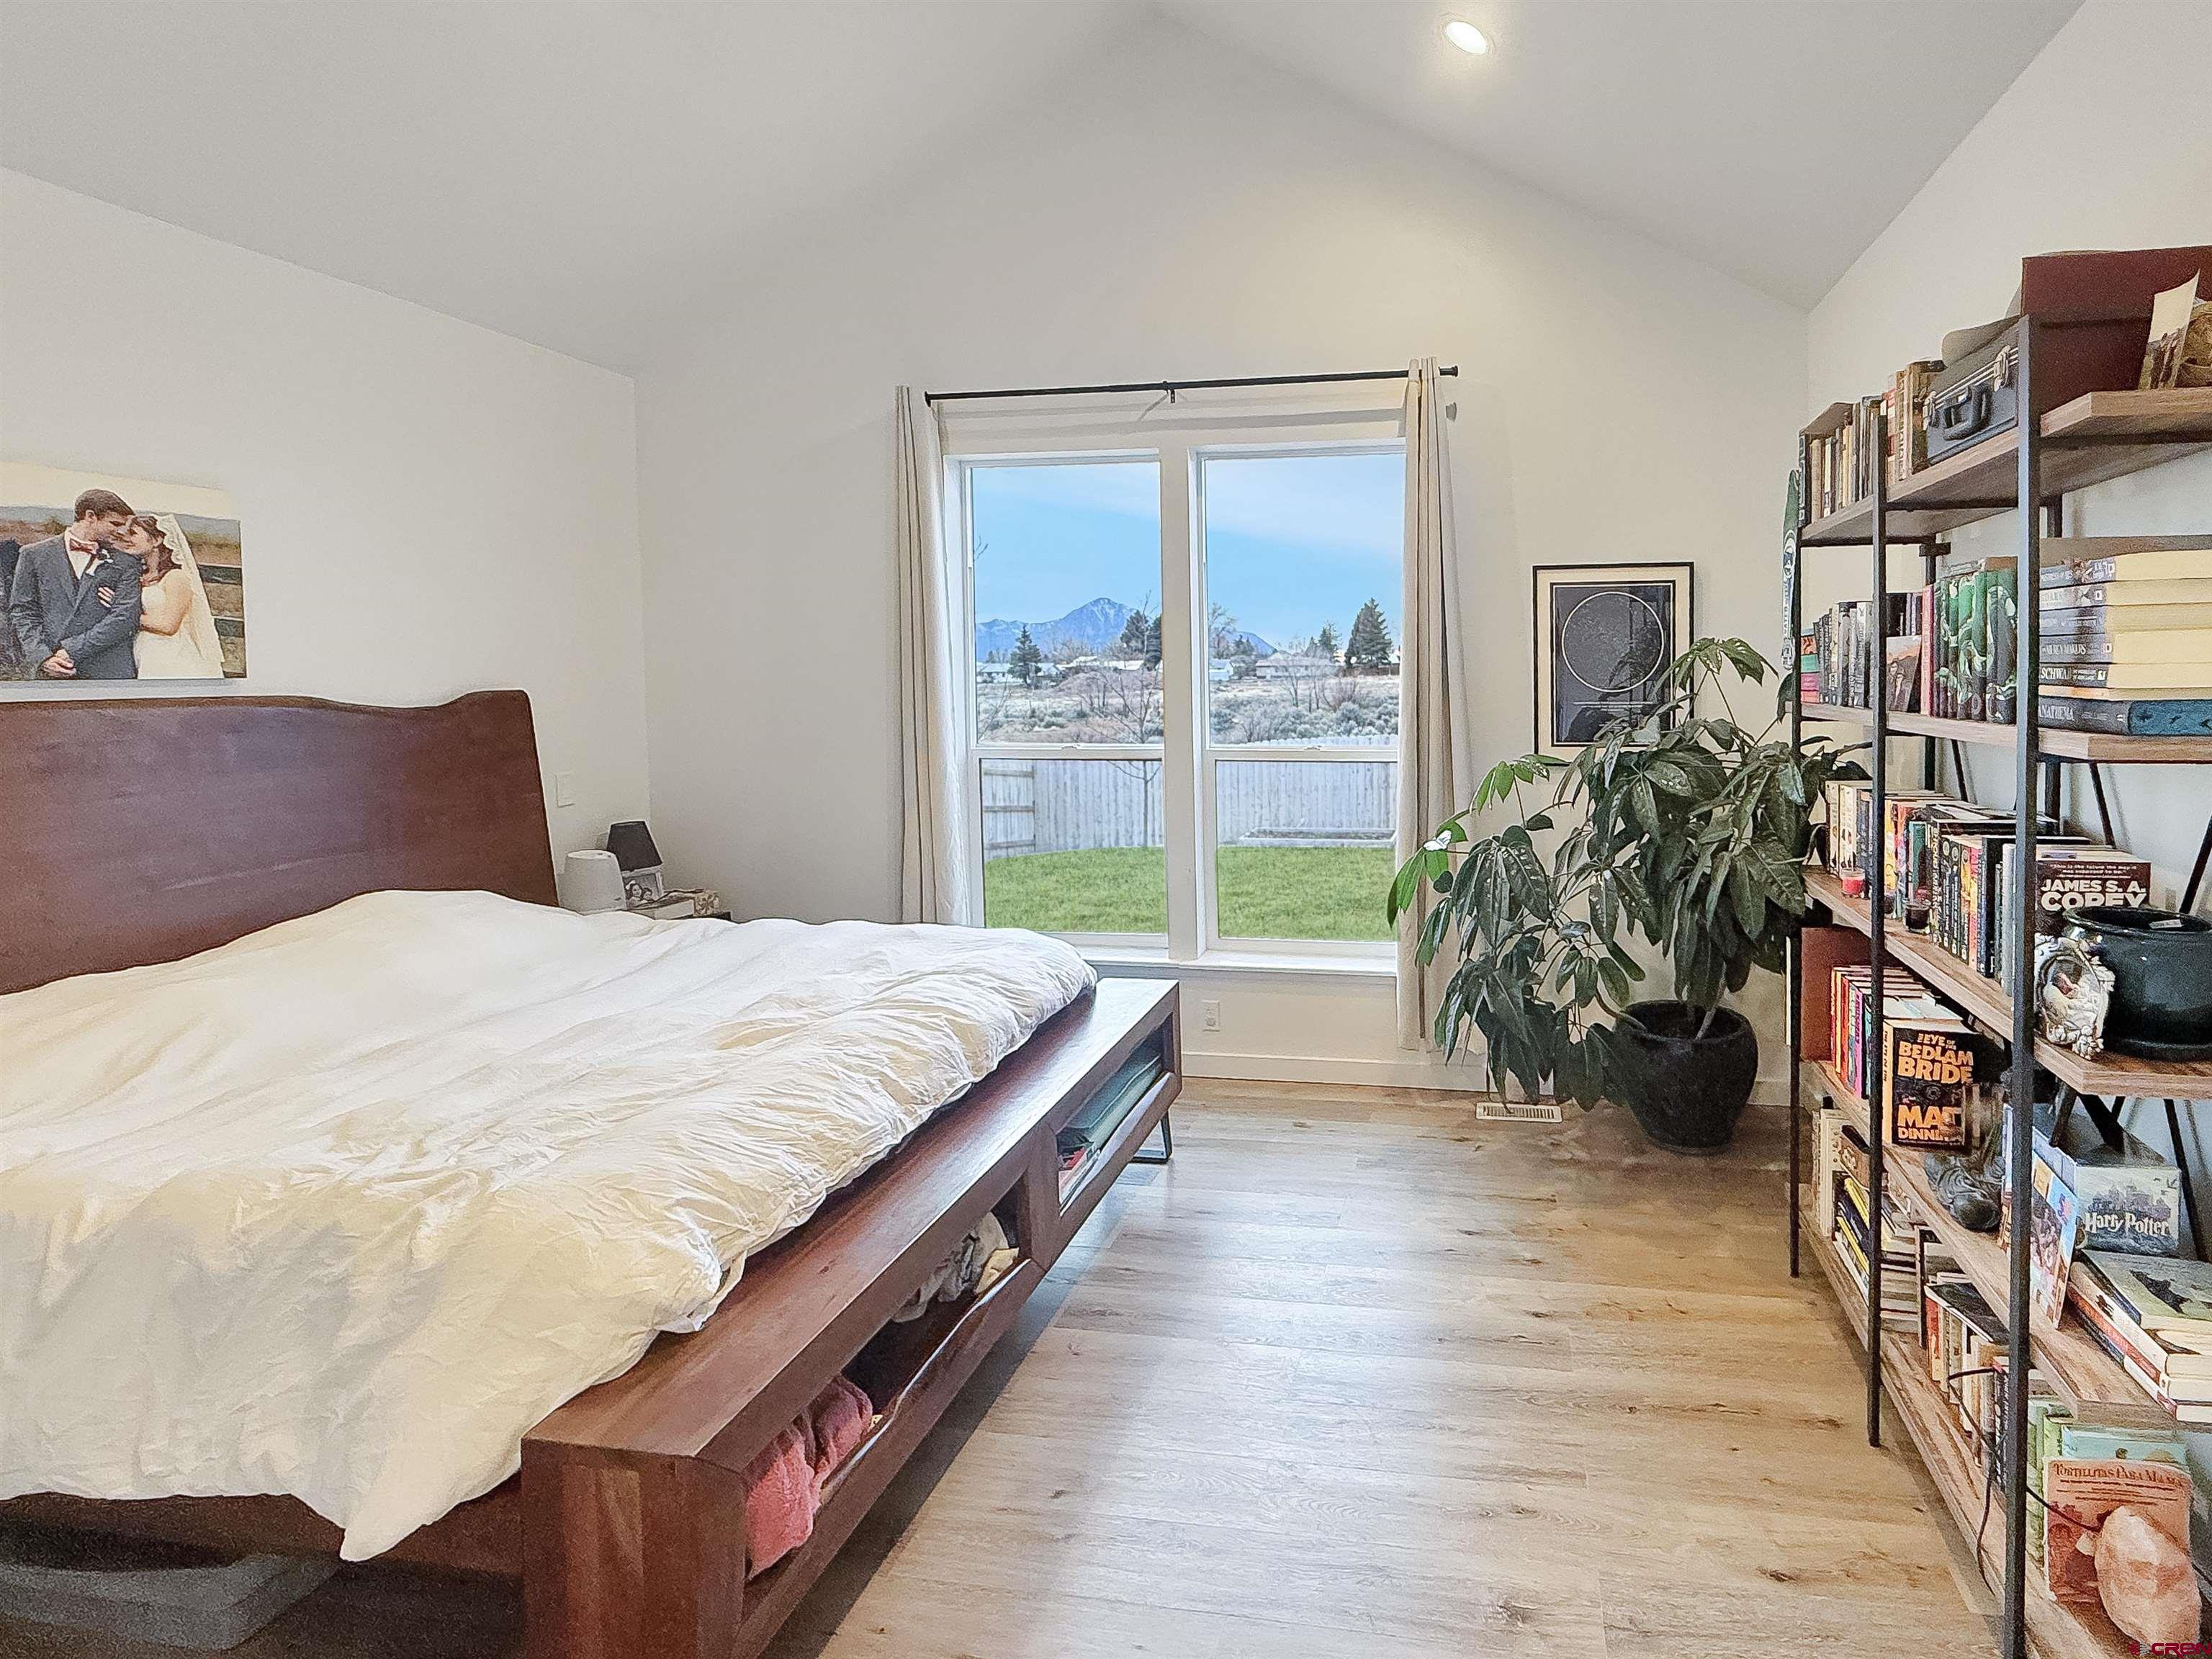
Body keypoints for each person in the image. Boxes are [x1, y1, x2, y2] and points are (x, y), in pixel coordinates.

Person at [6, 488, 144, 680]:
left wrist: (71, 650)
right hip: (52, 672)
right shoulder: (34, 555)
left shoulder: (126, 562)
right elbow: (23, 611)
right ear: (90, 516)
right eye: (115, 523)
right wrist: (43, 657)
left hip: (108, 671)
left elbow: (125, 616)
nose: (120, 531)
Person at [116, 513, 225, 678]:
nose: (127, 539)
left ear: (156, 540)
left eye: (133, 533)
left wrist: (122, 616)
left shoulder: (176, 577)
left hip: (171, 657)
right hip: (145, 654)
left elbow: (168, 626)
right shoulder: (139, 577)